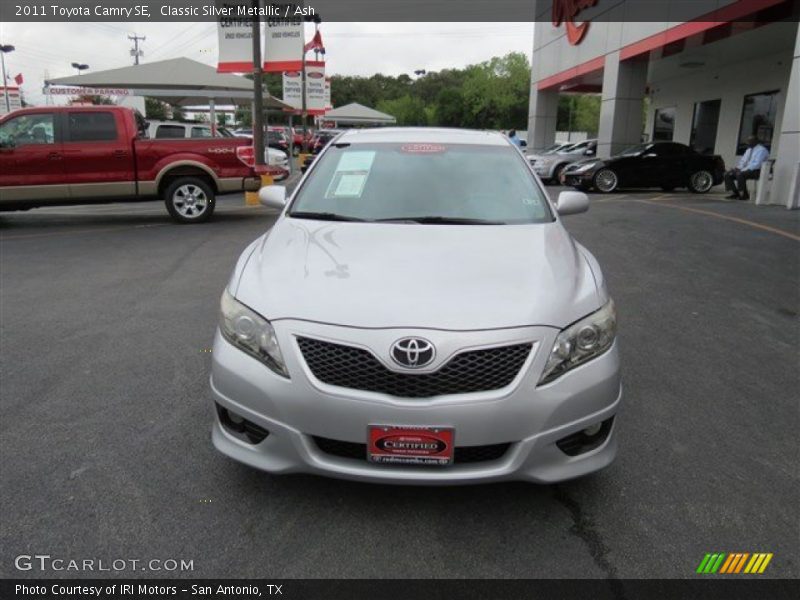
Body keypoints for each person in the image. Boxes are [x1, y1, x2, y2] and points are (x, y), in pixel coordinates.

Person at [724, 135, 769, 200]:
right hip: (746, 170)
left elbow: (757, 164)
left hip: (757, 171)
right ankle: (736, 193)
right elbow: (743, 161)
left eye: (750, 141)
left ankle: (744, 195)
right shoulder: (748, 150)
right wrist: (738, 168)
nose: (748, 143)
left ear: (756, 142)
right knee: (727, 174)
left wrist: (741, 170)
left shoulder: (762, 150)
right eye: (748, 141)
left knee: (740, 174)